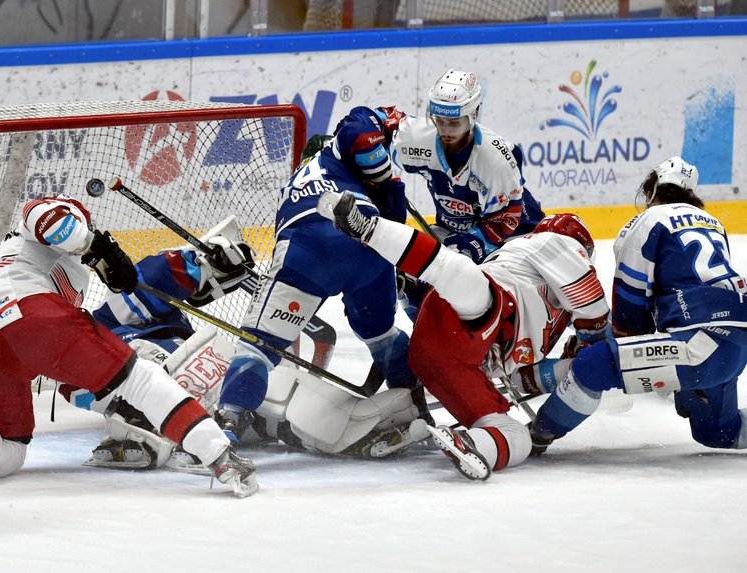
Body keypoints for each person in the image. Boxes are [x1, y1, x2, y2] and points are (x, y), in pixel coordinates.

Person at [0, 194, 259, 498]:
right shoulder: (45, 227)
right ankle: (219, 455)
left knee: (11, 448)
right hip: (24, 310)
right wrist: (97, 243)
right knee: (138, 378)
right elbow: (46, 217)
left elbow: (72, 365)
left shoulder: (18, 260)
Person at [77, 217, 430, 470]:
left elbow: (162, 275)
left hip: (203, 371)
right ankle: (147, 437)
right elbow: (85, 388)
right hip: (182, 393)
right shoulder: (89, 340)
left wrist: (209, 260)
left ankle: (372, 424)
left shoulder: (109, 318)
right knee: (263, 407)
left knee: (282, 403)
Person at [318, 190, 609, 480]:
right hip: (480, 315)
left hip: (444, 359)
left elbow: (521, 378)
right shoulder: (555, 243)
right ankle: (369, 228)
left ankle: (470, 442)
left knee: (515, 435)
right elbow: (593, 309)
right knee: (460, 275)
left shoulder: (552, 309)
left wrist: (572, 369)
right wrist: (594, 351)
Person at [212, 102, 423, 443]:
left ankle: (228, 423)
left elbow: (357, 131)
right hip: (369, 255)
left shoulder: (323, 158)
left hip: (311, 251)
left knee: (258, 347)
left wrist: (382, 168)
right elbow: (392, 227)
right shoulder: (376, 179)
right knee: (383, 336)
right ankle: (414, 404)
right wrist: (387, 177)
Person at [529, 157, 747, 454]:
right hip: (736, 337)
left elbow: (629, 313)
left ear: (651, 190)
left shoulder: (647, 221)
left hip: (701, 343)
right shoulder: (713, 223)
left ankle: (536, 435)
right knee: (718, 432)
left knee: (591, 367)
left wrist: (604, 347)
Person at [393, 69, 545, 263]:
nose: (445, 130)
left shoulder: (495, 159)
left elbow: (507, 220)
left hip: (516, 238)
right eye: (440, 120)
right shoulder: (418, 137)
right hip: (453, 233)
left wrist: (470, 246)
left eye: (455, 122)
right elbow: (380, 126)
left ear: (474, 114)